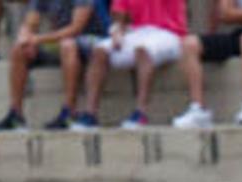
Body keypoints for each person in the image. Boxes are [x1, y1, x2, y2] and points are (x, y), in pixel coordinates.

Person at [74, 0, 210, 130]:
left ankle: (140, 112)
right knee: (100, 50)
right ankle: (90, 114)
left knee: (143, 49)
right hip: (137, 32)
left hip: (171, 33)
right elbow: (120, 15)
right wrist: (117, 32)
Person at [0, 0, 102, 130]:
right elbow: (31, 21)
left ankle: (69, 112)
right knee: (19, 49)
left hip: (92, 40)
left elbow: (76, 28)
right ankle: (16, 114)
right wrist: (26, 37)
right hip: (59, 41)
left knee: (67, 45)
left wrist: (38, 39)